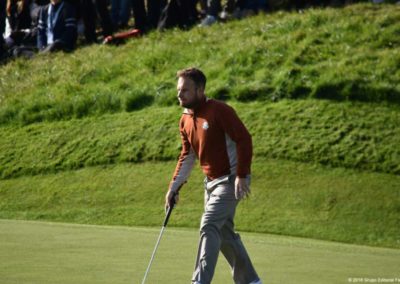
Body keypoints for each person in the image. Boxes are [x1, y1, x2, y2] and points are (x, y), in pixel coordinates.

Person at [165, 68, 262, 284]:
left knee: (208, 224)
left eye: (185, 90)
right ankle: (251, 281)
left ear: (200, 90)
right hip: (210, 184)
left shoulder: (219, 110)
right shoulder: (185, 119)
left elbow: (244, 139)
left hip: (230, 180)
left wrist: (242, 174)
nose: (180, 95)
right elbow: (187, 156)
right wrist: (174, 188)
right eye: (178, 90)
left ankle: (199, 282)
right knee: (225, 235)